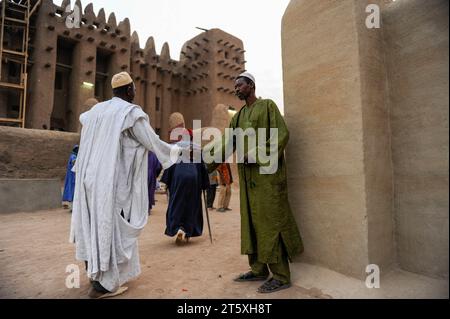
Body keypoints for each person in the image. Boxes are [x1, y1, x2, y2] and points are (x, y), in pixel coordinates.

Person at [69, 72, 181, 299]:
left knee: (93, 226)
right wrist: (177, 152)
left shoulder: (95, 112)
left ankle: (95, 274)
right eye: (134, 89)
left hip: (88, 180)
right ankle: (104, 284)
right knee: (109, 228)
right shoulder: (130, 113)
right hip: (110, 183)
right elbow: (151, 141)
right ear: (130, 90)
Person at [206, 72, 303, 293]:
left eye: (239, 85)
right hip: (249, 182)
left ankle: (281, 275)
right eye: (235, 86)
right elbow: (226, 142)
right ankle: (258, 269)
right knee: (251, 223)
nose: (236, 89)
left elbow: (282, 133)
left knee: (270, 224)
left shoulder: (267, 106)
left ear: (251, 85)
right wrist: (205, 164)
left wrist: (256, 153)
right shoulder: (238, 117)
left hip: (268, 179)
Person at [161, 112, 209, 245]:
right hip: (194, 176)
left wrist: (167, 181)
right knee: (192, 204)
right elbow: (202, 166)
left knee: (176, 203)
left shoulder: (174, 147)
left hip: (179, 176)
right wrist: (204, 184)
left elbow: (169, 165)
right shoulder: (196, 146)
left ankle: (178, 228)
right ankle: (188, 231)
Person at [62, 144, 78, 211]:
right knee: (72, 191)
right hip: (72, 176)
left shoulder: (73, 155)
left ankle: (72, 208)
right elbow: (74, 162)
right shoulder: (73, 156)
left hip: (72, 176)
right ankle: (72, 208)